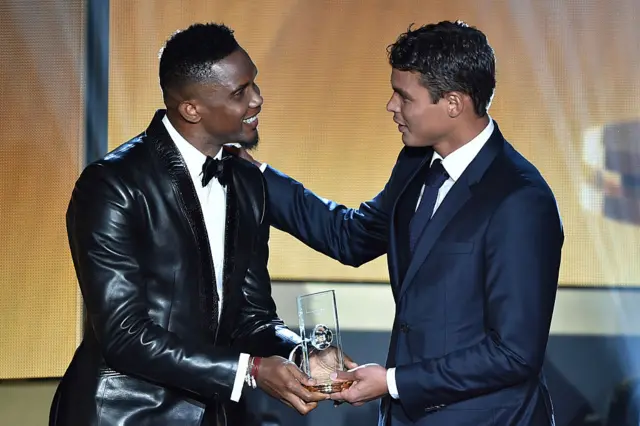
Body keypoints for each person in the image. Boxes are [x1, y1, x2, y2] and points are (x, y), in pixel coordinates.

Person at [241, 21, 564, 425]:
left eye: (404, 96)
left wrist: (393, 382)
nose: (391, 106)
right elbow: (352, 237)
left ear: (452, 103)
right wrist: (258, 176)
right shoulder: (415, 163)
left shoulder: (520, 199)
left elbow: (514, 354)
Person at [48, 22, 329, 426]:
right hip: (126, 414)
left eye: (254, 84)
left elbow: (251, 315)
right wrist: (248, 371)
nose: (258, 100)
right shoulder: (111, 185)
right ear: (191, 109)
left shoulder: (249, 183)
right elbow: (126, 335)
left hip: (217, 412)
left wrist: (300, 353)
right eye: (240, 92)